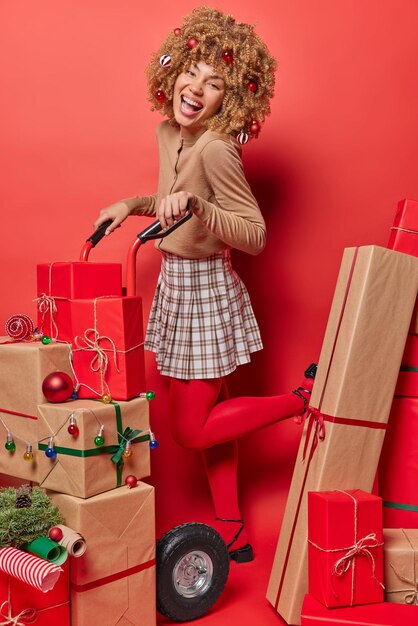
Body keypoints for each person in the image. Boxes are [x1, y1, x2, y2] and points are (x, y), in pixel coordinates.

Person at [94, 6, 314, 562]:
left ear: (230, 100)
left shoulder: (218, 149)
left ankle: (301, 399)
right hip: (174, 285)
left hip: (205, 290)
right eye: (191, 72)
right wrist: (131, 205)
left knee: (192, 431)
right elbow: (169, 196)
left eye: (215, 84)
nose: (196, 88)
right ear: (173, 72)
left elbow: (254, 235)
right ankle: (233, 528)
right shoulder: (169, 131)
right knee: (213, 423)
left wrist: (197, 206)